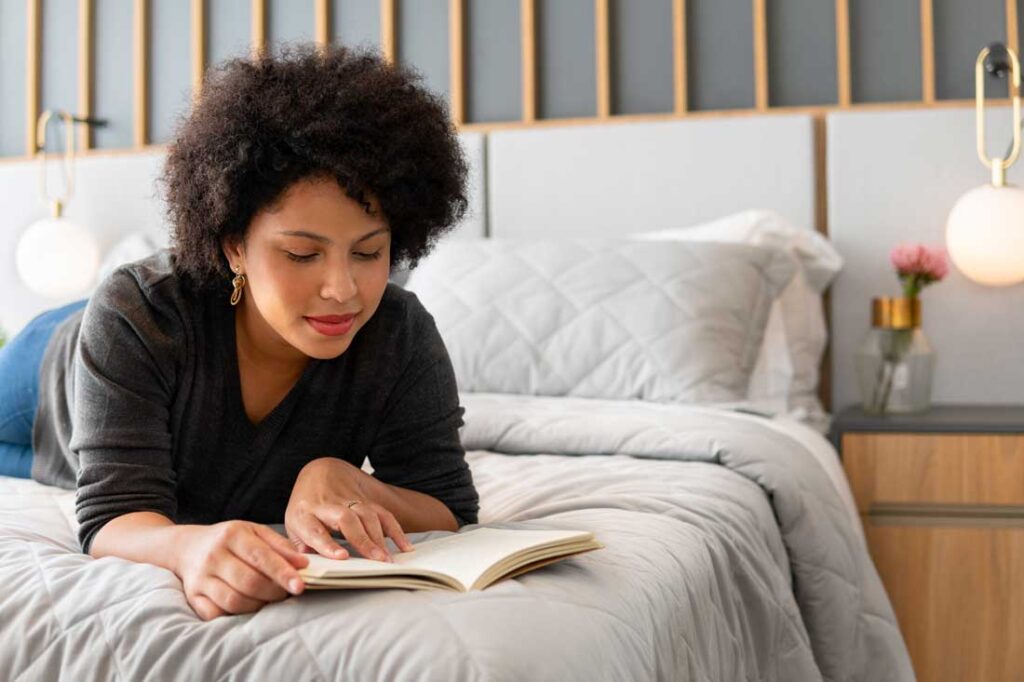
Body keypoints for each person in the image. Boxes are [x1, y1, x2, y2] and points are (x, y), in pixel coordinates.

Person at [0, 43, 479, 621]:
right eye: (303, 254)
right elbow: (111, 516)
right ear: (234, 246)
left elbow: (448, 504)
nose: (343, 289)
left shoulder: (400, 334)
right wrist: (188, 546)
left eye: (368, 252)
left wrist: (344, 478)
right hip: (48, 368)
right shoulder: (140, 312)